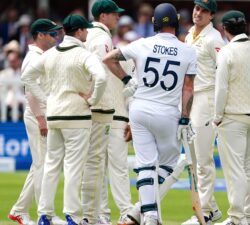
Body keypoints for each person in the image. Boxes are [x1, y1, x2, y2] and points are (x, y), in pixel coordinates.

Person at [103, 3, 197, 225]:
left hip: (140, 109)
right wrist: (185, 117)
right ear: (176, 22)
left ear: (155, 22)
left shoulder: (142, 44)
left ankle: (149, 216)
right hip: (167, 112)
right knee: (171, 163)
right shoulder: (188, 50)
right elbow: (188, 88)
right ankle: (146, 212)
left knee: (145, 164)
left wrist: (128, 80)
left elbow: (108, 59)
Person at [21, 14, 108, 225]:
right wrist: (92, 99)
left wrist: (47, 100)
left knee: (51, 166)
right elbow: (102, 77)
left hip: (55, 115)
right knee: (73, 167)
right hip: (77, 116)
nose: (87, 32)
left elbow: (27, 78)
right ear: (78, 32)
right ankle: (72, 214)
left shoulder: (50, 54)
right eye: (85, 30)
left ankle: (45, 214)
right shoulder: (83, 54)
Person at [7, 18, 66, 225]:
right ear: (40, 35)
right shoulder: (34, 58)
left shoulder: (42, 55)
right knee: (44, 165)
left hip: (40, 114)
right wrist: (41, 118)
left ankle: (19, 210)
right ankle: (46, 215)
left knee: (40, 164)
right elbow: (29, 89)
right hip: (37, 115)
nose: (56, 37)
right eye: (52, 34)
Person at [81, 1, 133, 225]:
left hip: (96, 111)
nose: (118, 18)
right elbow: (104, 70)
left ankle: (100, 215)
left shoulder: (87, 37)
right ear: (103, 16)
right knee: (116, 167)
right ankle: (124, 213)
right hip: (111, 110)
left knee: (96, 165)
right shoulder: (101, 39)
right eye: (114, 14)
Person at [213, 10, 250, 225]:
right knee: (249, 168)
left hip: (233, 116)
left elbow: (221, 88)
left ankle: (237, 217)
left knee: (235, 169)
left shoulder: (227, 52)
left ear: (224, 29)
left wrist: (217, 116)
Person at [182, 0, 225, 224]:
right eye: (197, 8)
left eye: (204, 11)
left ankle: (205, 211)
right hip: (191, 99)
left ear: (211, 16)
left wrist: (220, 106)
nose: (198, 13)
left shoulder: (215, 39)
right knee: (193, 158)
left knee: (203, 158)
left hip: (206, 98)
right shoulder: (189, 35)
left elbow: (226, 69)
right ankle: (211, 208)